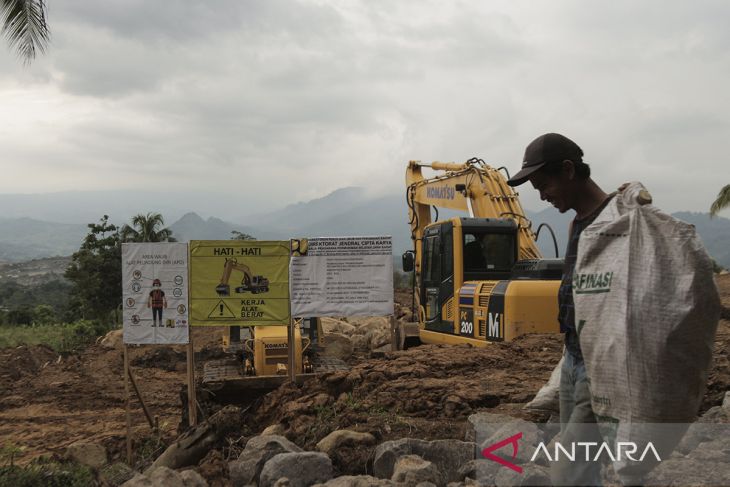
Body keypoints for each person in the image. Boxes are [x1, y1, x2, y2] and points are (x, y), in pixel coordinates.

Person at [508, 133, 613, 486]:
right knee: (584, 465)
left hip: (601, 366)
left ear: (568, 169)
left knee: (570, 471)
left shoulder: (617, 225)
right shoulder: (576, 224)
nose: (542, 196)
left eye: (544, 184)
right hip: (571, 359)